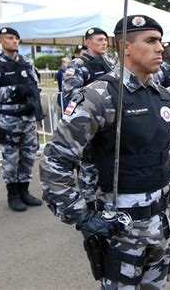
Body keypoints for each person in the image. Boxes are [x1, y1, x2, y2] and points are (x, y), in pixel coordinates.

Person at [40, 15, 170, 288]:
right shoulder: (99, 96)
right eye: (151, 41)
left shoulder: (164, 96)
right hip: (121, 230)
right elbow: (54, 162)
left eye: (161, 41)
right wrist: (81, 215)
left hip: (162, 224)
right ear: (125, 47)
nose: (160, 48)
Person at [0, 27, 43, 212]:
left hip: (28, 119)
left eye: (17, 38)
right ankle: (13, 195)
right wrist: (15, 90)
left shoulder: (26, 63)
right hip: (9, 120)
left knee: (28, 157)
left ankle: (24, 191)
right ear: (1, 41)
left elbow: (34, 86)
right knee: (11, 159)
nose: (15, 41)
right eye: (10, 38)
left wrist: (37, 111)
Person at [63, 27, 115, 206]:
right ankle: (89, 212)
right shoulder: (77, 65)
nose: (104, 43)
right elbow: (71, 96)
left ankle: (105, 207)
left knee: (108, 168)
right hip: (90, 127)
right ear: (88, 42)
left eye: (105, 40)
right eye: (99, 40)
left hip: (109, 126)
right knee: (89, 172)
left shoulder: (109, 63)